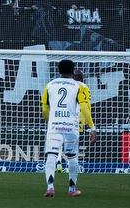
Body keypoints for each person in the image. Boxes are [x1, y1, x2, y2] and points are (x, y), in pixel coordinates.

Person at [41, 59, 96, 197]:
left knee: (51, 156)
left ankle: (50, 187)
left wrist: (49, 120)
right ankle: (72, 189)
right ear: (72, 72)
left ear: (58, 70)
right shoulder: (78, 86)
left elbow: (44, 108)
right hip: (71, 127)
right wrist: (92, 127)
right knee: (72, 157)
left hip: (54, 126)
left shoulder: (49, 85)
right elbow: (84, 107)